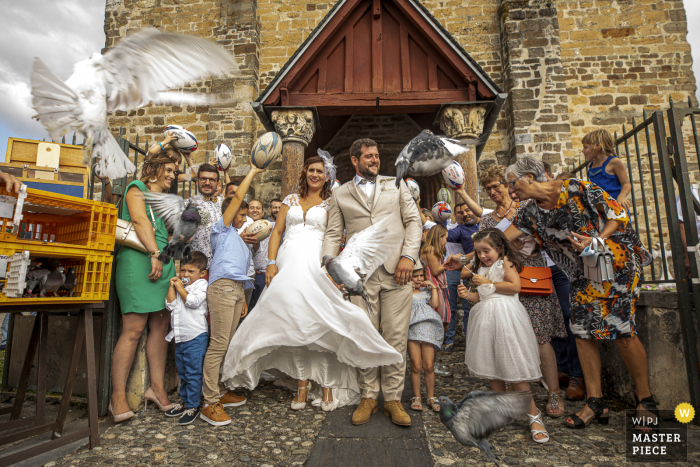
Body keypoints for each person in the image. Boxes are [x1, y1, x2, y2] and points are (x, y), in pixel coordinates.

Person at [221, 155, 402, 412]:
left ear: (326, 175)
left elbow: (338, 235)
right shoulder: (289, 201)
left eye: (320, 171)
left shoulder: (332, 202)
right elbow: (277, 232)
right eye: (311, 170)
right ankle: (302, 384)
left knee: (323, 322)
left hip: (316, 264)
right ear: (305, 172)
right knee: (292, 322)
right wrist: (271, 262)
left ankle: (328, 385)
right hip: (288, 263)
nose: (315, 175)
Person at [504, 155, 657, 432]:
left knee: (622, 331)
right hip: (583, 272)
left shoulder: (577, 188)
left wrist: (596, 238)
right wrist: (468, 258)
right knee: (582, 331)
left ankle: (645, 400)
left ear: (528, 177)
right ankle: (595, 402)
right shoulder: (528, 211)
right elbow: (502, 238)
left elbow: (617, 214)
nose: (510, 189)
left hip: (616, 260)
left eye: (512, 183)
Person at [448, 167, 567, 418]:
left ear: (508, 185)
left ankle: (554, 392)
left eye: (497, 186)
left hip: (531, 271)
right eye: (488, 188)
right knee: (507, 336)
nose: (493, 192)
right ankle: (517, 390)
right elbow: (487, 247)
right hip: (501, 279)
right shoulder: (489, 219)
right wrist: (463, 261)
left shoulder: (525, 209)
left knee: (541, 335)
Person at [321, 138, 423, 427]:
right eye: (368, 156)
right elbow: (332, 233)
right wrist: (329, 265)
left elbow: (414, 222)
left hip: (397, 272)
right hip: (358, 277)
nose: (375, 160)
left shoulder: (397, 184)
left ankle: (392, 399)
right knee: (363, 335)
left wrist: (408, 257)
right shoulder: (340, 194)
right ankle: (368, 396)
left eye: (377, 156)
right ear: (355, 160)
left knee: (395, 336)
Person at [457, 229, 548, 443]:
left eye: (486, 251)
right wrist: (468, 295)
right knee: (493, 368)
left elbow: (515, 286)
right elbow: (480, 297)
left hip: (507, 318)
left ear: (499, 248)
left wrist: (488, 283)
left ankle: (534, 416)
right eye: (478, 252)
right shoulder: (482, 267)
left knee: (514, 368)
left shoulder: (504, 263)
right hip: (485, 320)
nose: (482, 256)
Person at [111, 154, 178, 422]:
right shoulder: (136, 188)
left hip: (164, 261)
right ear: (155, 169)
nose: (173, 175)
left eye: (175, 171)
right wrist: (153, 253)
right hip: (140, 259)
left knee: (161, 327)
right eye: (170, 170)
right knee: (133, 329)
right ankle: (117, 396)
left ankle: (157, 389)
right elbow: (139, 222)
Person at [200, 162, 264, 426]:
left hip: (237, 288)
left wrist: (244, 297)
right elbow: (237, 197)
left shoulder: (240, 237)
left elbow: (246, 266)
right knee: (218, 344)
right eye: (242, 212)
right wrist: (253, 172)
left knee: (226, 344)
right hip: (223, 286)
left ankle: (219, 391)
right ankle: (208, 401)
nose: (245, 215)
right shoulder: (221, 229)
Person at [163, 251, 209, 425]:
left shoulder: (201, 285)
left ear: (202, 273)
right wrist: (172, 288)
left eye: (190, 271)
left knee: (193, 372)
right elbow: (170, 305)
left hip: (195, 336)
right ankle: (185, 402)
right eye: (183, 271)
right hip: (180, 337)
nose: (185, 275)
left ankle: (193, 405)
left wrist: (181, 289)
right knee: (182, 372)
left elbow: (193, 302)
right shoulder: (180, 287)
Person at [408, 265, 442, 412]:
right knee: (416, 365)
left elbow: (435, 304)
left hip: (428, 328)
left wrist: (433, 288)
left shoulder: (426, 291)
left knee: (429, 365)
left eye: (421, 276)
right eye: (415, 276)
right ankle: (416, 397)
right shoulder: (405, 291)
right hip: (412, 328)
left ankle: (431, 396)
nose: (419, 279)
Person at [583, 129, 632, 210]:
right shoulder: (591, 165)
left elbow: (626, 184)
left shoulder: (614, 162)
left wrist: (622, 196)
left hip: (616, 206)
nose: (583, 150)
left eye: (585, 147)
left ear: (598, 147)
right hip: (600, 207)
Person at [146, 131, 198, 195]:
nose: (176, 164)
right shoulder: (153, 172)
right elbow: (151, 152)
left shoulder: (174, 178)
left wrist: (188, 158)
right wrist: (165, 141)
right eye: (173, 160)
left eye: (178, 162)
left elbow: (193, 175)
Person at [420, 225, 451, 330]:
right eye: (445, 238)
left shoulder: (430, 249)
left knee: (443, 320)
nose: (446, 241)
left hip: (436, 286)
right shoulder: (431, 249)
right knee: (441, 320)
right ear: (439, 237)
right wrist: (448, 262)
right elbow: (435, 271)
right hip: (434, 287)